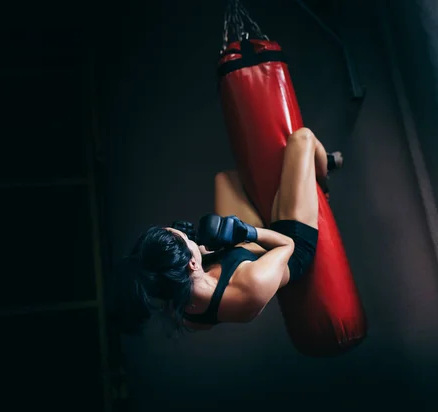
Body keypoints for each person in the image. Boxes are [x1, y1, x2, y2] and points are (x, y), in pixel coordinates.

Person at [113, 127, 343, 334]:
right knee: (302, 138)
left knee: (225, 179)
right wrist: (248, 231)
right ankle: (323, 181)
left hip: (244, 252)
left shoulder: (184, 304)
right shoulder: (252, 284)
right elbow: (287, 245)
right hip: (291, 243)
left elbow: (175, 272)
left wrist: (197, 246)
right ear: (191, 264)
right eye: (184, 240)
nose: (182, 233)